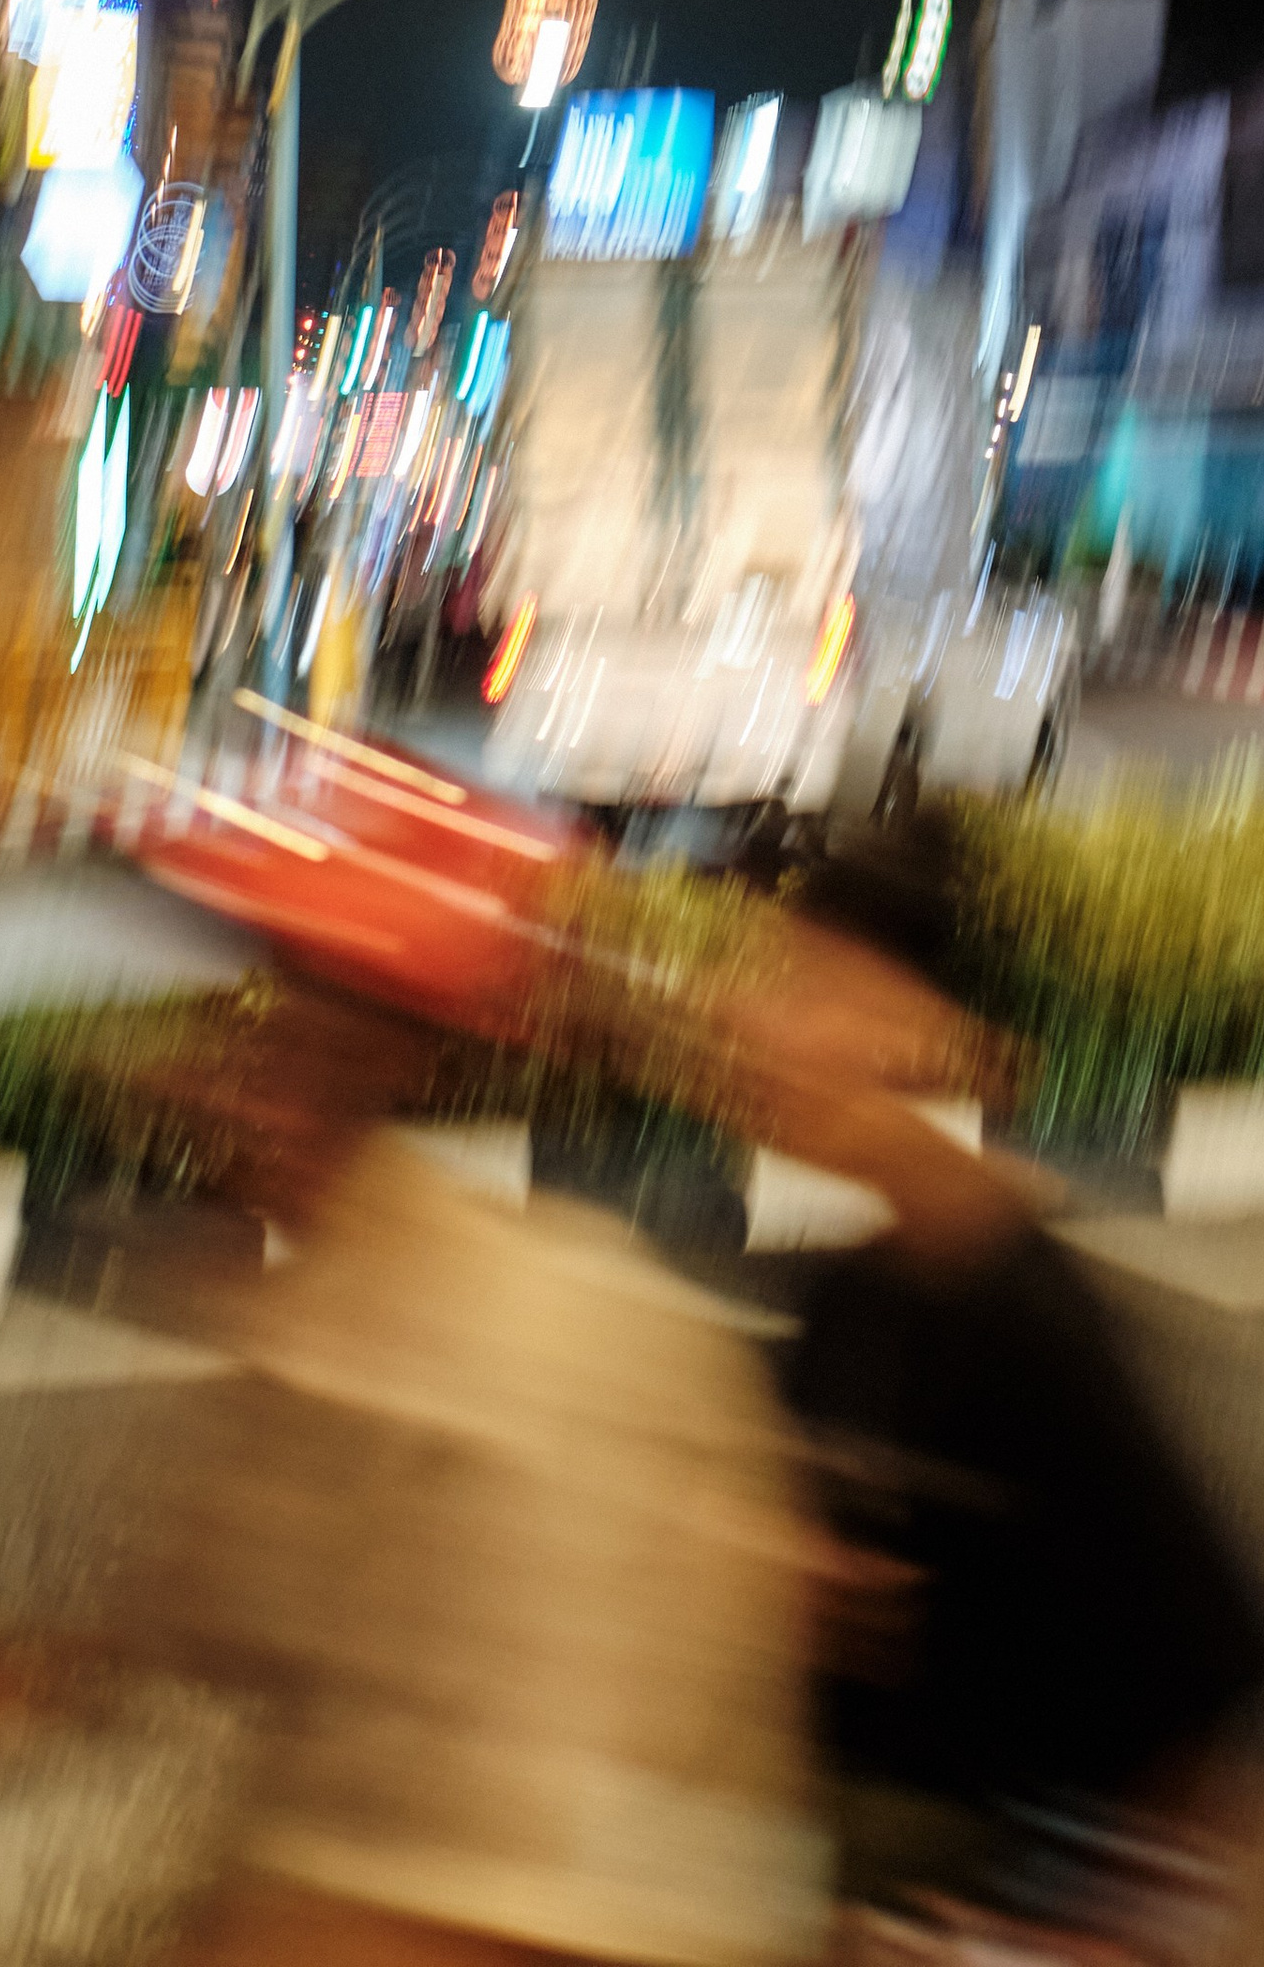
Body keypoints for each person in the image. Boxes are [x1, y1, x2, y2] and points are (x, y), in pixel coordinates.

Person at [123, 736, 833, 1967]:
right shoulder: (314, 1328)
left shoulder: (555, 1360)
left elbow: (551, 1907)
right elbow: (141, 1649)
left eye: (288, 1013)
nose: (218, 1062)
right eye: (243, 998)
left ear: (388, 1057)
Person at [712, 822, 1264, 1960]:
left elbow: (1249, 1747)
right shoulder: (848, 1298)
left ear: (937, 1040)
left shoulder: (1037, 1333)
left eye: (812, 988)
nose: (755, 1024)